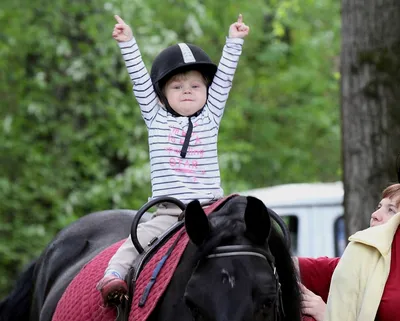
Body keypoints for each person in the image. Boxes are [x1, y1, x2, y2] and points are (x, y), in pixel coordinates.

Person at [96, 14, 250, 305]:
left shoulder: (211, 117)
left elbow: (225, 78)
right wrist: (128, 42)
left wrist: (234, 41)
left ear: (207, 91)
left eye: (195, 86)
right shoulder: (155, 118)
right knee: (138, 240)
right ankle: (112, 275)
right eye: (177, 87)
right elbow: (140, 81)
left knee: (244, 237)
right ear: (163, 96)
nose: (187, 91)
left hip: (211, 210)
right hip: (169, 212)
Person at [295, 182, 400, 321]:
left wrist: (328, 315)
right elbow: (291, 263)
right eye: (379, 207)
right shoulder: (359, 264)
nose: (375, 214)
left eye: (391, 210)